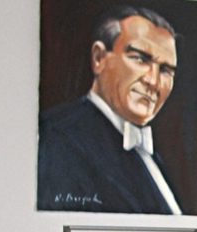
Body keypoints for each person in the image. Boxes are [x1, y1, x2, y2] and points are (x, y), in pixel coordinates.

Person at [37, 5, 184, 214]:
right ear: (99, 58)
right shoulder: (56, 137)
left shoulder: (149, 155)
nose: (154, 82)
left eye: (166, 70)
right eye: (140, 59)